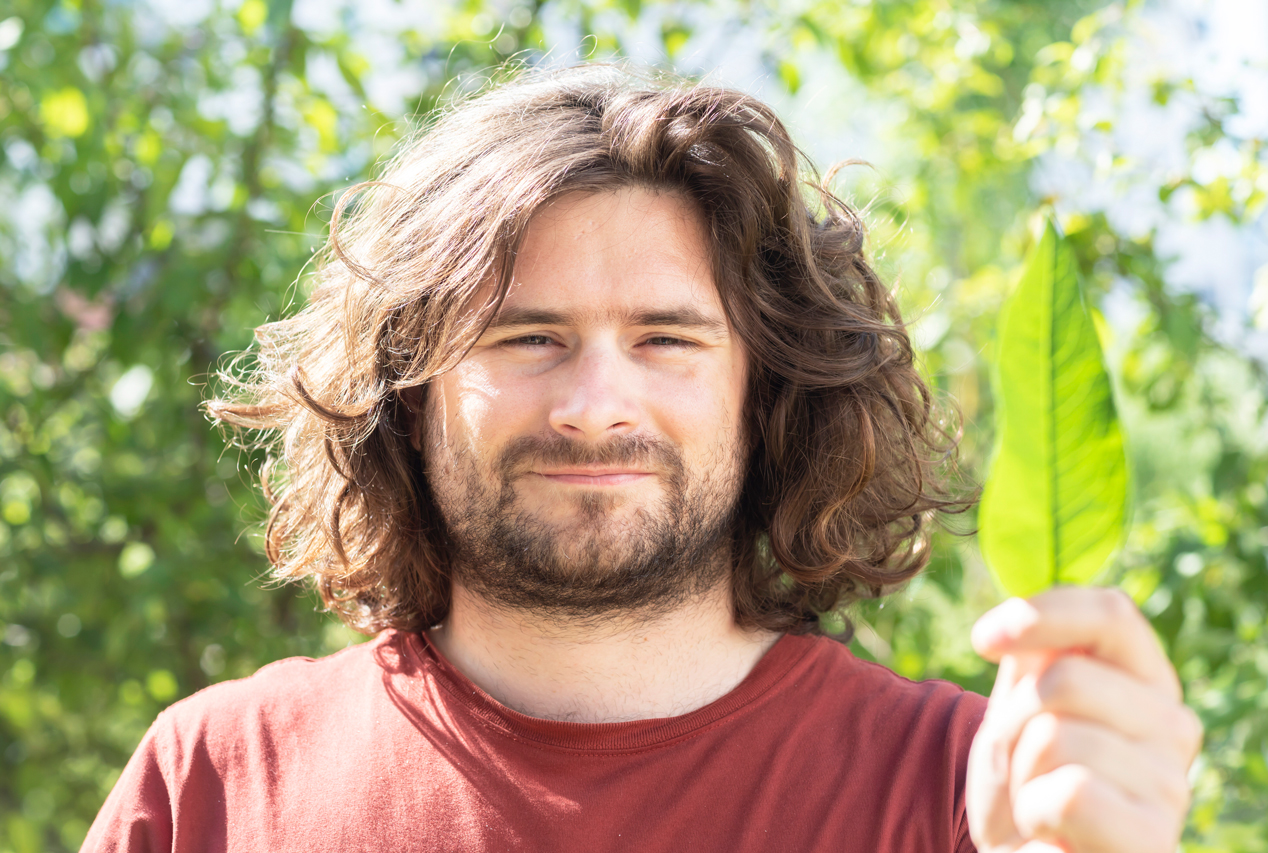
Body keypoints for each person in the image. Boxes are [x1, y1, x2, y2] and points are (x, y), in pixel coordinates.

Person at [83, 65, 1201, 853]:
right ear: (407, 393)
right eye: (527, 337)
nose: (591, 404)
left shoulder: (982, 788)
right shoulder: (217, 777)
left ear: (765, 391)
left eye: (665, 338)